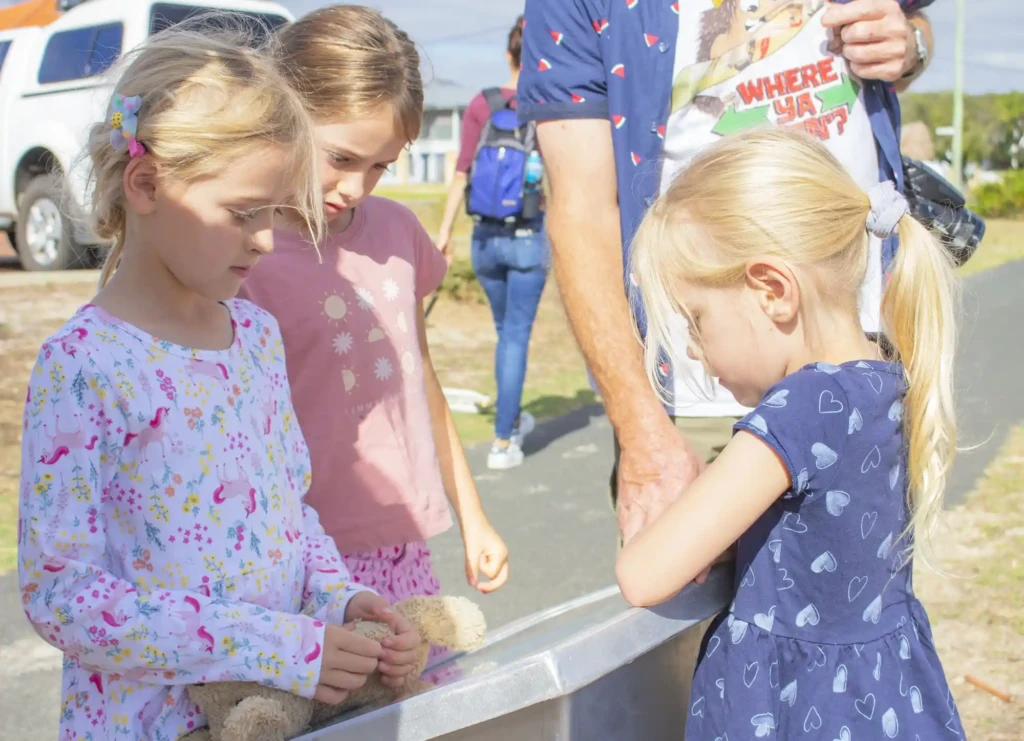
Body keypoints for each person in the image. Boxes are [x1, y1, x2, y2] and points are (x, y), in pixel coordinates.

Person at [17, 29, 422, 741]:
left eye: (276, 212)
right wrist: (274, 645)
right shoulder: (84, 365)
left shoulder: (255, 336)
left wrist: (341, 600)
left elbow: (290, 514)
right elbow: (62, 594)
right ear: (147, 185)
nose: (266, 239)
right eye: (243, 213)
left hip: (270, 713)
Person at [518, 0, 936, 545]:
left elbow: (914, 26)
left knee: (857, 591)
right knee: (690, 598)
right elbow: (581, 212)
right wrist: (644, 437)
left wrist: (911, 45)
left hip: (867, 363)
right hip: (701, 401)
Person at [617, 127, 963, 739]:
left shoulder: (802, 407)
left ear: (773, 291)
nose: (694, 350)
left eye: (697, 319)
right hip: (880, 697)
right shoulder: (885, 374)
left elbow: (644, 575)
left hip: (797, 710)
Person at [239, 6, 509, 632]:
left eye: (381, 165)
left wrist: (472, 516)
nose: (357, 187)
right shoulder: (242, 255)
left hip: (402, 542)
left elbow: (422, 378)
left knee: (415, 687)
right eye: (341, 158)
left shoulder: (398, 232)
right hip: (297, 558)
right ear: (280, 115)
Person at [436, 15, 549, 470]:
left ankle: (511, 419)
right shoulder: (547, 106)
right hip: (527, 239)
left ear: (508, 55)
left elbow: (461, 171)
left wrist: (444, 232)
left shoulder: (481, 104)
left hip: (484, 238)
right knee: (515, 337)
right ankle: (504, 441)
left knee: (505, 334)